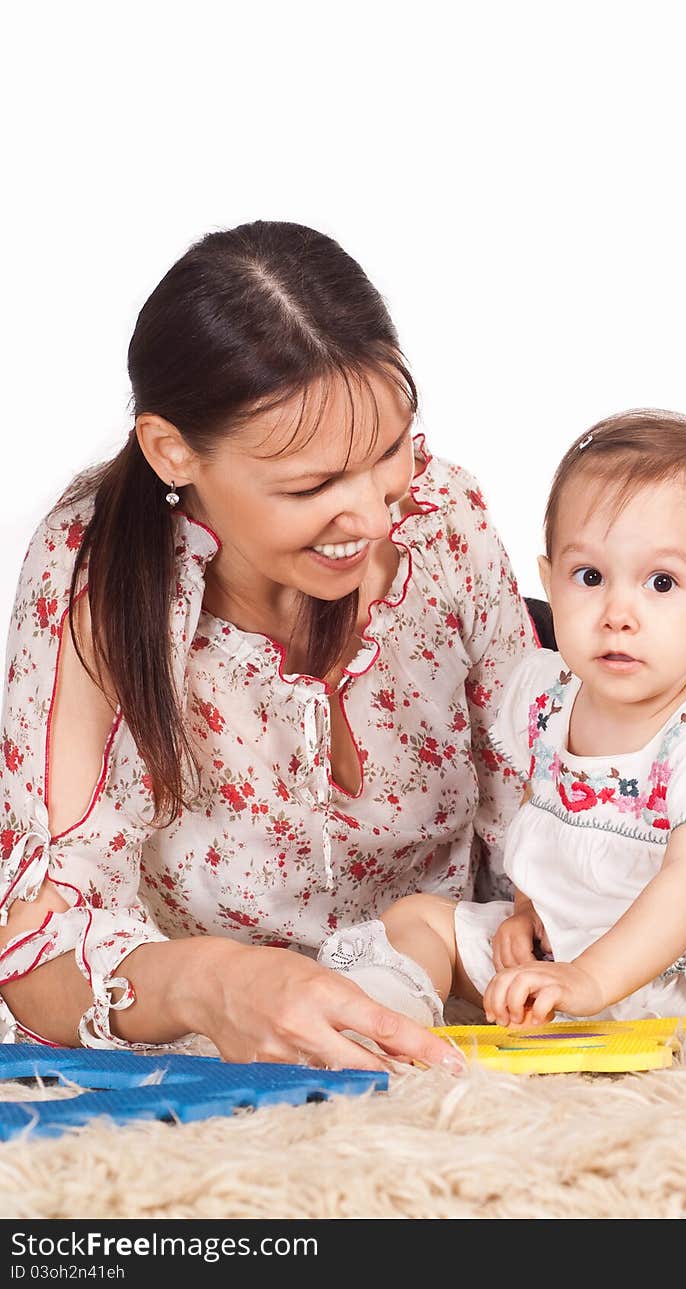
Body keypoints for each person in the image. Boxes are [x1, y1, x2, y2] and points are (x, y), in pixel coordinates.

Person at [0, 219, 540, 1071]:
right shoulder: (94, 584)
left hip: (600, 670)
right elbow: (34, 951)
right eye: (313, 483)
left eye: (391, 449)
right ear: (172, 451)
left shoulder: (438, 521)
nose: (371, 513)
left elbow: (546, 806)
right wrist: (211, 982)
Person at [318, 411, 686, 1062]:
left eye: (661, 583)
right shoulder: (545, 693)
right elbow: (544, 821)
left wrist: (588, 980)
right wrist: (530, 909)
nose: (618, 614)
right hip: (574, 935)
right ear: (550, 576)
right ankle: (382, 1012)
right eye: (589, 577)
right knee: (417, 917)